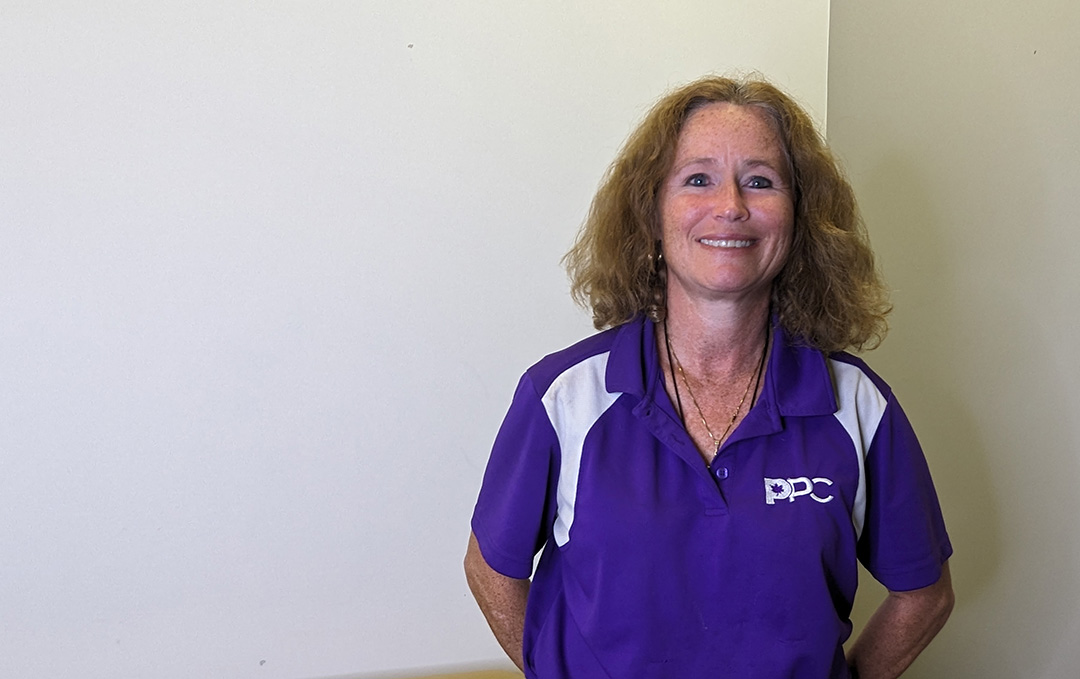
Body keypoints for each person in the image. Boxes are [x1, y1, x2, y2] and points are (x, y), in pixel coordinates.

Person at [464, 75, 953, 679]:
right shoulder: (564, 395)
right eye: (698, 178)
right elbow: (490, 566)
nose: (731, 206)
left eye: (760, 180)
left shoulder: (856, 404)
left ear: (801, 219)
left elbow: (925, 592)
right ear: (652, 217)